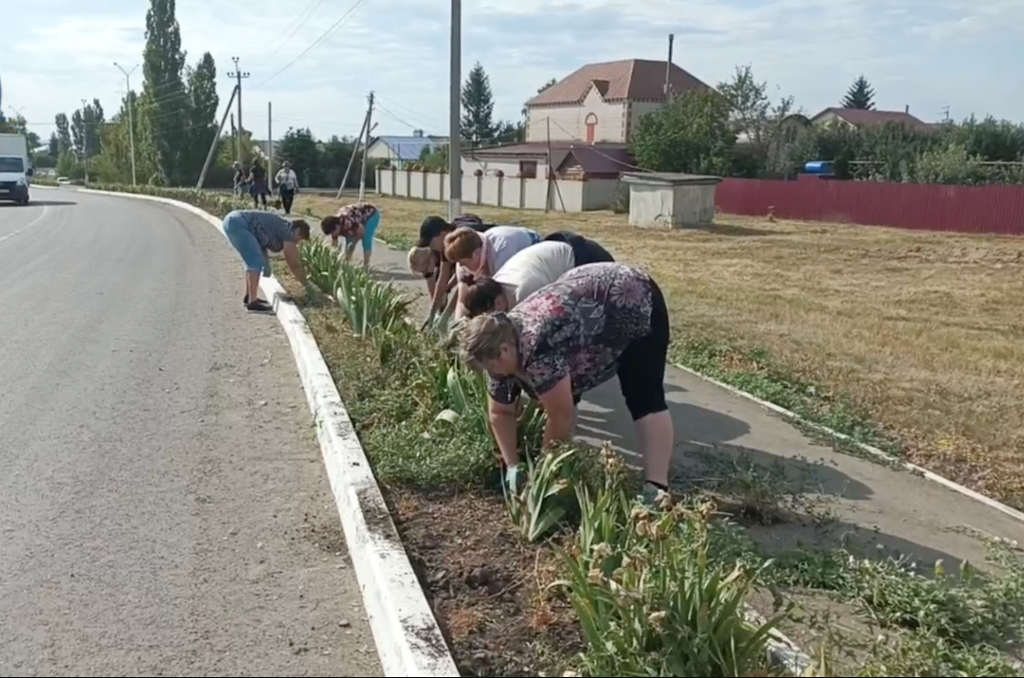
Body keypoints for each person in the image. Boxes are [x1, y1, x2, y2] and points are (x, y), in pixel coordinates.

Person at [457, 262, 673, 502]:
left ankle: (656, 487)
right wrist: (512, 466)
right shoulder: (500, 340)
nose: (491, 373)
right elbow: (500, 412)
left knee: (643, 394)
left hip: (631, 297)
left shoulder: (538, 348)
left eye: (489, 367)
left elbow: (561, 416)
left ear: (505, 350)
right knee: (561, 390)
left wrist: (542, 472)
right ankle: (565, 470)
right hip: (583, 303)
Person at [462, 234, 614, 317]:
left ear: (498, 304)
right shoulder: (496, 284)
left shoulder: (525, 292)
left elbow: (549, 319)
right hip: (561, 249)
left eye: (488, 316)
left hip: (586, 259)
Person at [221, 209, 311, 312]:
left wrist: (266, 264)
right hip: (239, 224)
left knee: (252, 260)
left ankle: (249, 296)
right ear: (298, 231)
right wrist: (307, 285)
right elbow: (293, 264)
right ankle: (252, 302)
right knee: (254, 262)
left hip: (233, 220)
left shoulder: (282, 226)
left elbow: (260, 244)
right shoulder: (289, 233)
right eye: (299, 239)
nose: (297, 242)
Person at [442, 225, 542, 317]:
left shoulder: (502, 252)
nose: (460, 266)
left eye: (462, 262)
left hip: (535, 253)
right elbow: (462, 299)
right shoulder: (464, 258)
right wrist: (458, 325)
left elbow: (502, 298)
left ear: (476, 253)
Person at [414, 214, 493, 322]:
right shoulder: (447, 244)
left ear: (442, 233)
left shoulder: (461, 240)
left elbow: (464, 282)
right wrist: (432, 312)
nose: (432, 248)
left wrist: (446, 316)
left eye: (431, 244)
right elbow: (443, 278)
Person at [319, 202, 381, 269]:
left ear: (337, 226)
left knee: (366, 238)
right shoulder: (333, 225)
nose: (333, 234)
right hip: (355, 217)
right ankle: (346, 264)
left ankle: (366, 266)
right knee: (349, 241)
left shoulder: (348, 222)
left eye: (333, 232)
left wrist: (354, 242)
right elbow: (334, 244)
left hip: (371, 214)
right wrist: (333, 257)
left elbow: (361, 231)